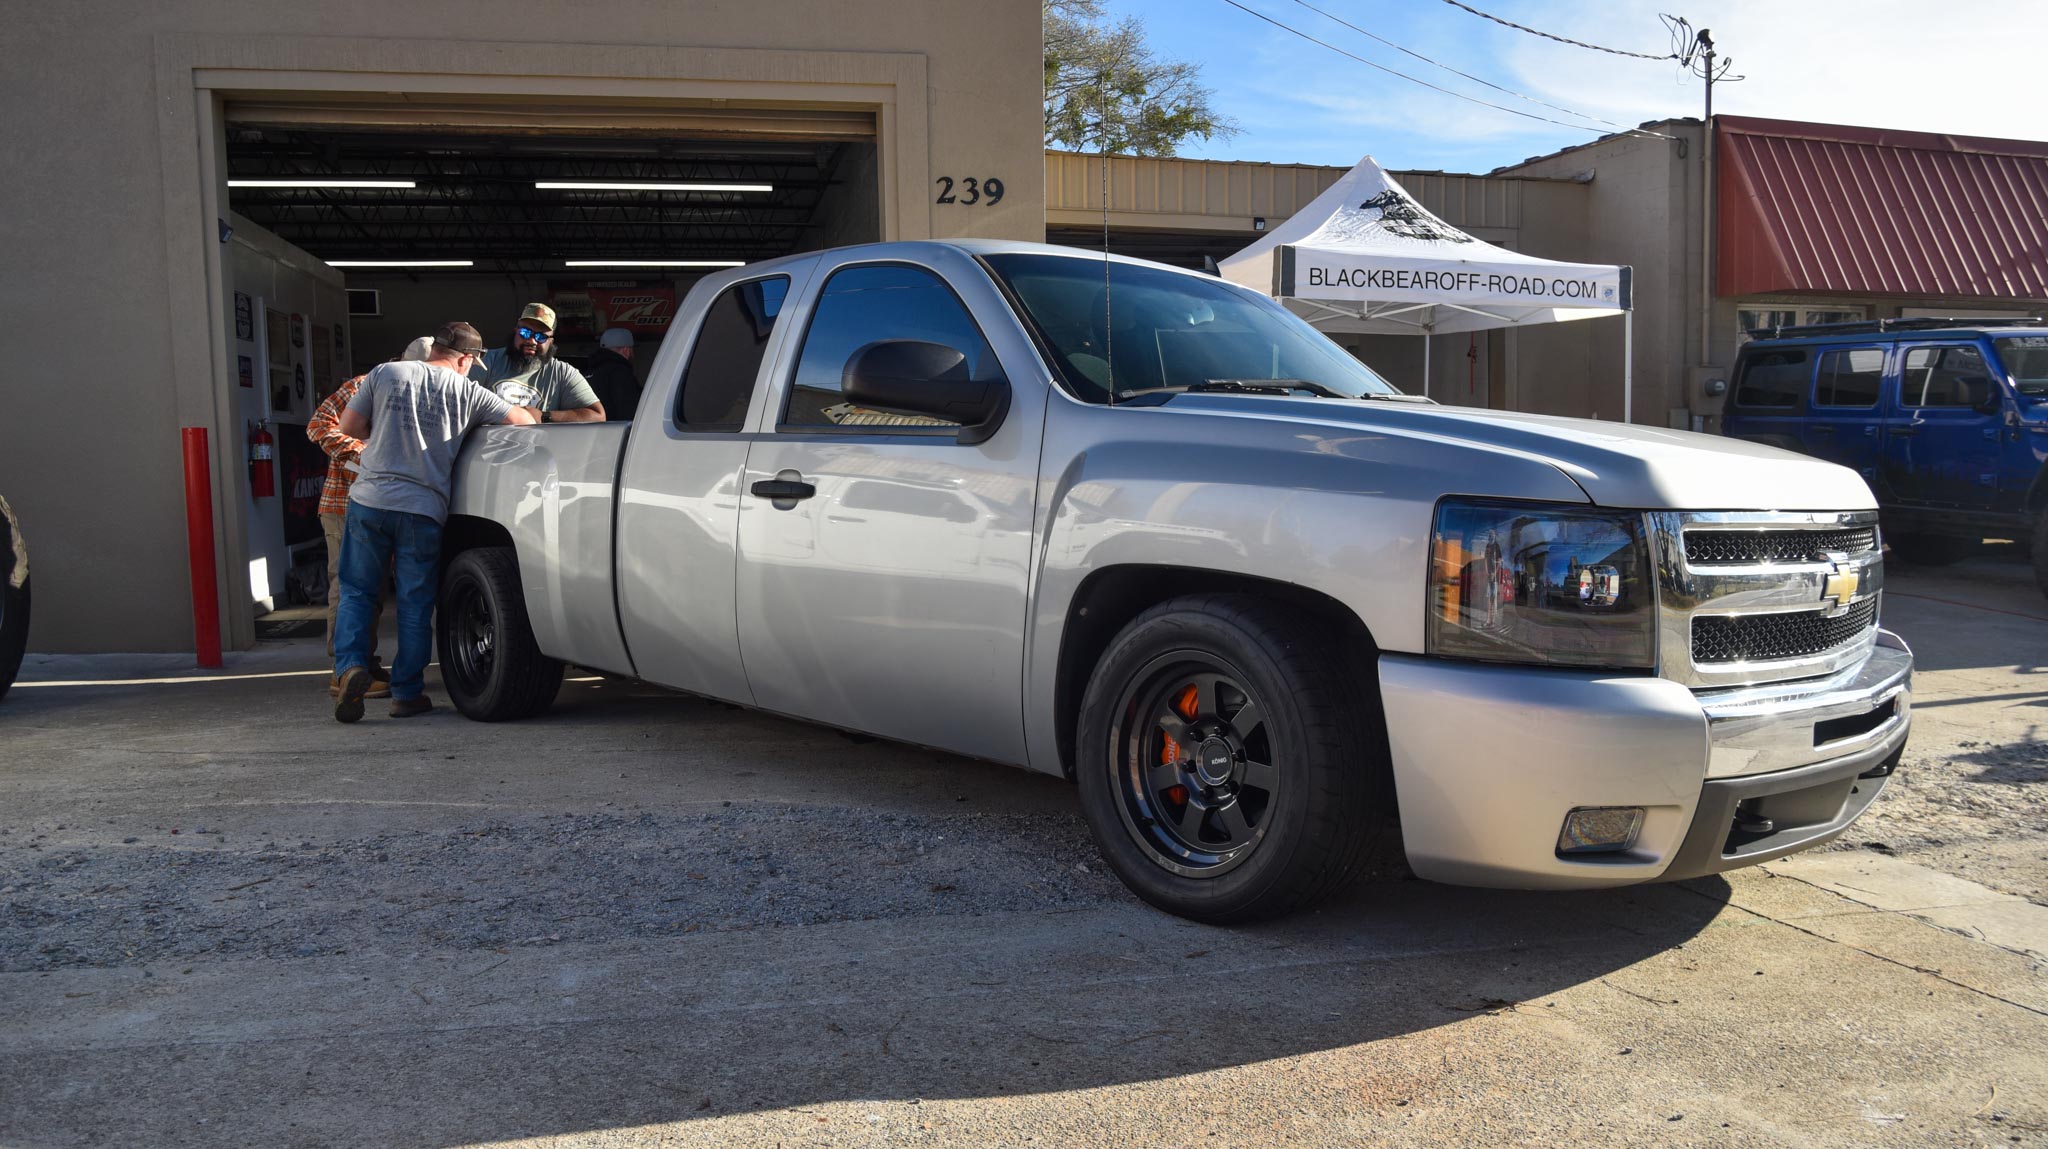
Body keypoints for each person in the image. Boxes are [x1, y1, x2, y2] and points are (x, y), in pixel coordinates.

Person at [331, 322, 538, 723]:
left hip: (370, 501)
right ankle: (406, 694)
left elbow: (348, 428)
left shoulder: (386, 373)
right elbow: (524, 424)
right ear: (465, 358)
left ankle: (351, 670)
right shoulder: (469, 391)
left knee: (357, 593)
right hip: (422, 509)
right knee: (415, 604)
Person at [306, 336, 435, 699]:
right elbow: (318, 425)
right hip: (344, 503)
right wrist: (370, 454)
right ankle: (342, 672)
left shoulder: (423, 394)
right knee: (347, 587)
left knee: (373, 592)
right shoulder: (365, 384)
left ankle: (364, 665)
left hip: (387, 504)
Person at [468, 302, 606, 423]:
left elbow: (598, 415)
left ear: (551, 341)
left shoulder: (563, 373)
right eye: (525, 332)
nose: (531, 341)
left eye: (541, 337)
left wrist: (544, 416)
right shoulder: (487, 361)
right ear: (515, 331)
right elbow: (461, 402)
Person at [586, 327, 642, 420]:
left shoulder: (590, 372)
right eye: (632, 350)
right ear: (626, 350)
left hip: (591, 431)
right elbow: (629, 411)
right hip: (614, 432)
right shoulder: (621, 373)